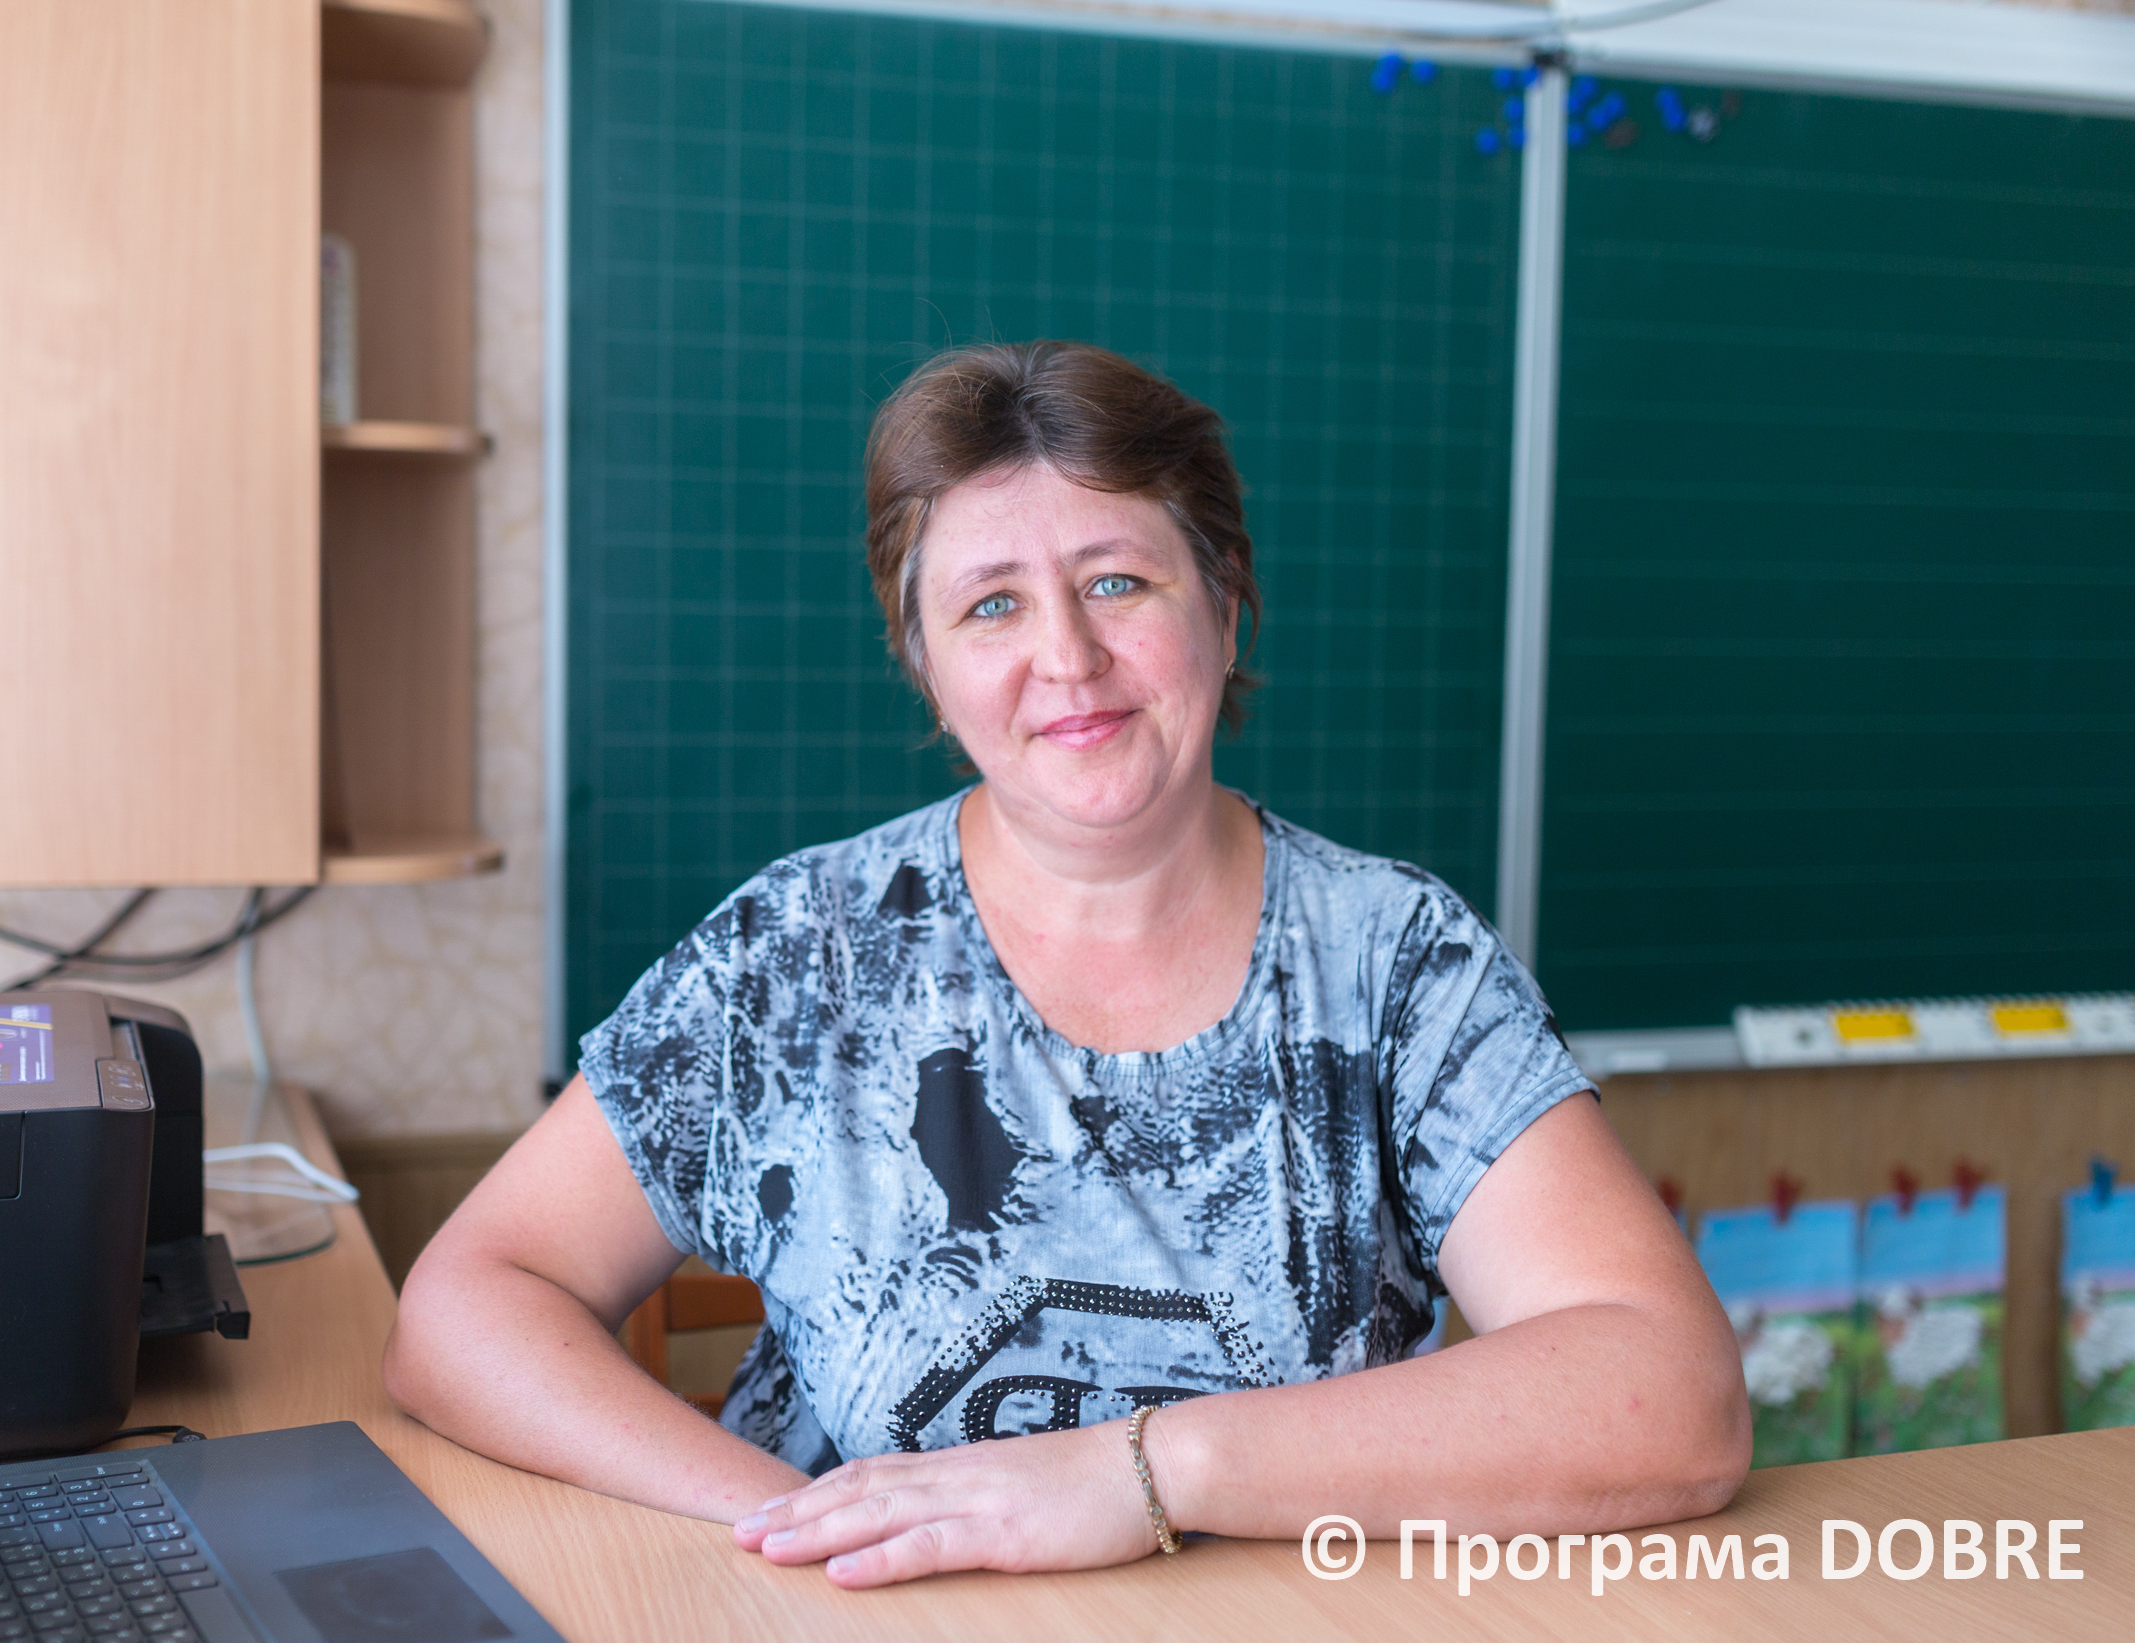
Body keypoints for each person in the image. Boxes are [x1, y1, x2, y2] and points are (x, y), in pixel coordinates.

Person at [385, 340, 1749, 1588]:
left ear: (1226, 603)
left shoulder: (1397, 963)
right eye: (991, 606)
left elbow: (1671, 1394)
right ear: (924, 663)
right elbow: (466, 1304)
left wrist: (1143, 1472)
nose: (1068, 657)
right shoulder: (798, 955)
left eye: (1116, 582)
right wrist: (806, 1525)